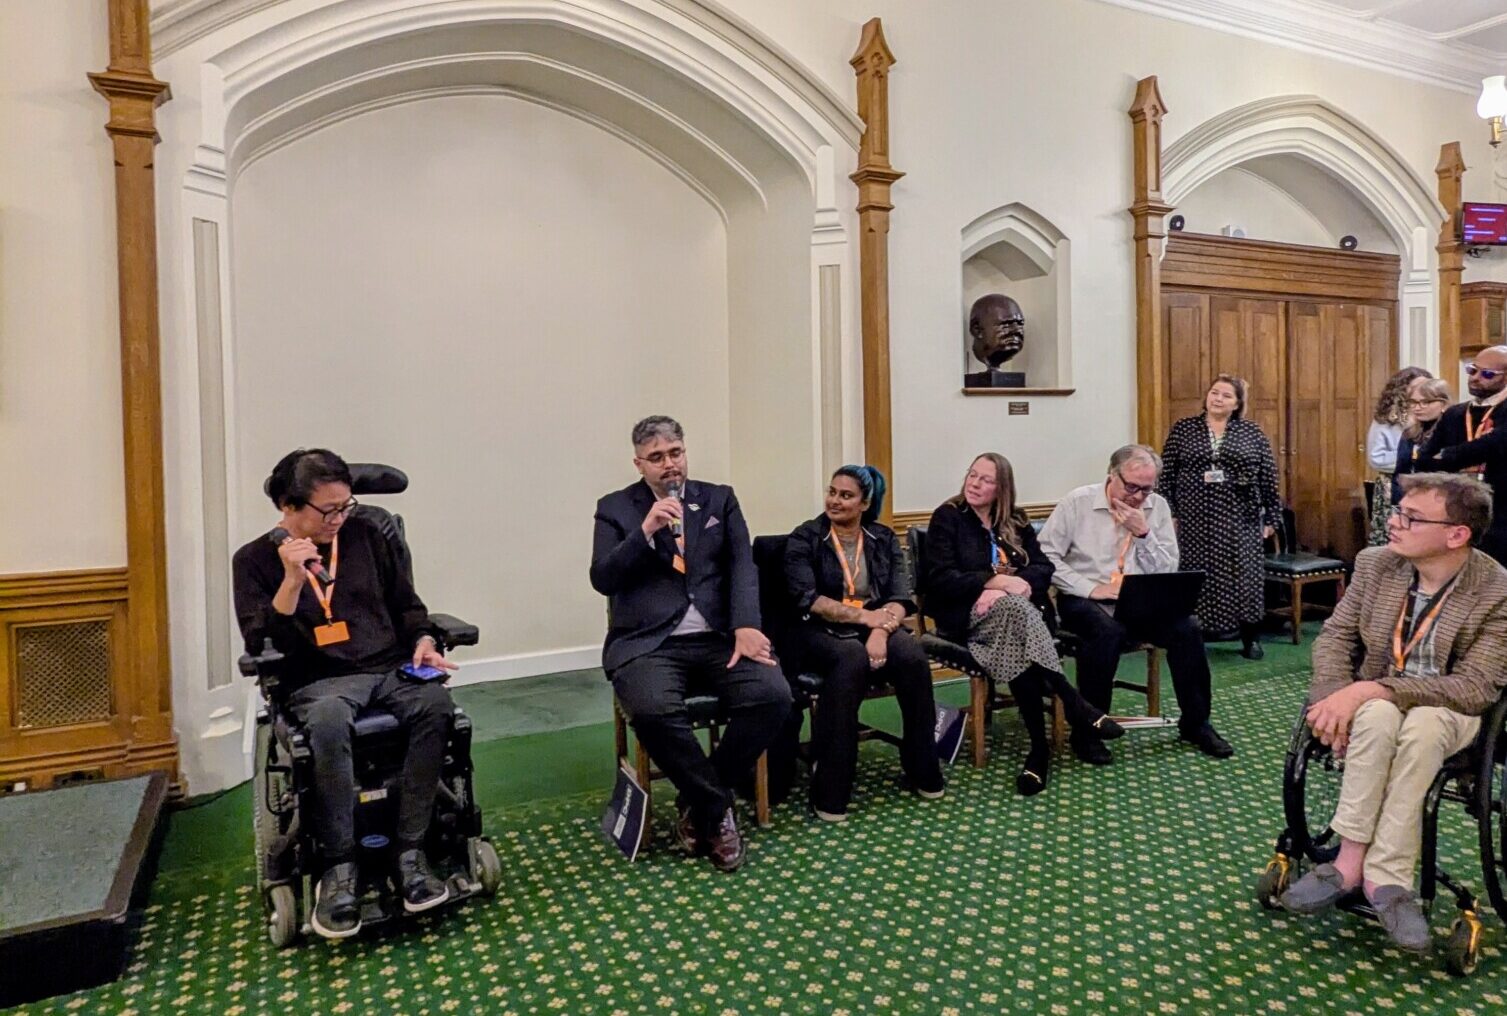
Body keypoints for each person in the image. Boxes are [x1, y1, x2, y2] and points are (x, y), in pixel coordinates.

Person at [233, 448, 459, 940]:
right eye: (328, 510)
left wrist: (423, 640)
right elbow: (262, 645)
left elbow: (407, 605)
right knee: (331, 721)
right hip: (316, 682)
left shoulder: (367, 536)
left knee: (436, 705)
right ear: (289, 507)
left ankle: (410, 851)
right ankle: (338, 868)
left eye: (346, 506)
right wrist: (292, 580)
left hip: (387, 668)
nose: (340, 518)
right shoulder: (253, 562)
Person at [1279, 473, 1507, 954]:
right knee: (1378, 717)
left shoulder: (1496, 589)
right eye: (1397, 511)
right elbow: (1336, 638)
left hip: (1450, 708)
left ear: (1456, 534)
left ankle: (1383, 875)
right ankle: (1355, 863)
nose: (1393, 522)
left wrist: (1368, 689)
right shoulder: (1375, 565)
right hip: (1376, 705)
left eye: (1410, 516)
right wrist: (1331, 700)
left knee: (1420, 724)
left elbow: (1474, 686)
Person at [590, 416, 791, 871]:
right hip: (649, 643)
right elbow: (602, 578)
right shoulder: (615, 508)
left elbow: (744, 567)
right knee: (653, 711)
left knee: (773, 695)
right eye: (657, 458)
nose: (669, 465)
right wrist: (644, 532)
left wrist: (746, 624)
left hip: (720, 637)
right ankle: (717, 810)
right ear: (639, 463)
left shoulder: (718, 498)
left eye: (675, 453)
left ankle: (699, 798)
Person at [920, 453, 1124, 795]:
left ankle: (1039, 753)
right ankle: (1071, 701)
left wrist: (1021, 585)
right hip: (966, 618)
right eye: (972, 475)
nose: (974, 483)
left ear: (1002, 488)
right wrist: (994, 584)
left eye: (985, 480)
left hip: (1016, 620)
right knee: (1014, 609)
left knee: (1016, 625)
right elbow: (939, 580)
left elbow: (1044, 567)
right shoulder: (949, 517)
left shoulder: (1014, 519)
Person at [1038, 445, 1233, 763]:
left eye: (1147, 489)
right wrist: (1089, 588)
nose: (1139, 497)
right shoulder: (1078, 502)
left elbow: (1169, 567)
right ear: (1112, 476)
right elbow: (1046, 556)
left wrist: (1143, 533)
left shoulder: (1156, 507)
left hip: (1140, 597)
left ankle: (1196, 723)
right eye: (1132, 487)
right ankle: (1089, 730)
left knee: (1188, 629)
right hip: (1083, 597)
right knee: (1106, 632)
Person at [783, 465, 944, 820]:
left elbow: (900, 597)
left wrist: (879, 631)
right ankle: (831, 791)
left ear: (865, 502)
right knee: (851, 659)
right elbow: (809, 600)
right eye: (832, 492)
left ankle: (923, 769)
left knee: (913, 658)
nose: (834, 501)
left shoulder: (883, 538)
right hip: (816, 630)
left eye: (846, 495)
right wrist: (867, 620)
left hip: (875, 624)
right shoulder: (805, 537)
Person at [1158, 374, 1281, 659]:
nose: (1218, 399)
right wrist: (1169, 513)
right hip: (1193, 515)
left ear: (1237, 403)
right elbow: (1168, 475)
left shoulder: (1251, 432)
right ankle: (1193, 634)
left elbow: (1268, 476)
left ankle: (1250, 637)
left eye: (1226, 395)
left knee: (1244, 576)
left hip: (1240, 516)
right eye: (1214, 393)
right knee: (1196, 574)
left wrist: (1272, 518)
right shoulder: (1184, 429)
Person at [1415, 346, 1507, 565]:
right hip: (1458, 512)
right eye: (1472, 370)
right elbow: (1424, 461)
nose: (1475, 378)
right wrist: (1459, 457)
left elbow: (1494, 444)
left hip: (1501, 512)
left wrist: (1447, 456)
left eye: (1487, 375)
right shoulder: (1455, 414)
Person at [1367, 367, 1432, 545]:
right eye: (1415, 388)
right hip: (1394, 484)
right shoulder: (1389, 418)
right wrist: (1413, 457)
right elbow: (1376, 458)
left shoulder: (1433, 416)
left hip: (1425, 483)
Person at [1390, 377, 1449, 504]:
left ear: (1444, 404)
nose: (1417, 408)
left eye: (1425, 402)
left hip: (1439, 500)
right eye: (1413, 402)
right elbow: (1400, 472)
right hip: (1409, 499)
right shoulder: (1410, 432)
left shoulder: (1451, 431)